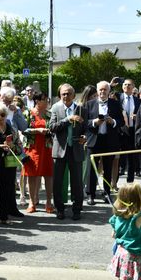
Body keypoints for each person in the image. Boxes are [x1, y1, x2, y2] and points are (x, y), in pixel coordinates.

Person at [50, 84, 86, 220]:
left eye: (68, 94)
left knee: (77, 182)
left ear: (73, 95)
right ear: (60, 95)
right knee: (57, 182)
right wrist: (67, 119)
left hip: (76, 149)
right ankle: (60, 209)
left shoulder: (81, 109)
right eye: (63, 94)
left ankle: (77, 210)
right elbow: (52, 127)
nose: (66, 96)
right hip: (59, 150)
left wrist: (85, 137)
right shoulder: (55, 108)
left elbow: (86, 128)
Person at [85, 81, 124, 204]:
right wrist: (94, 122)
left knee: (108, 168)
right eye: (100, 90)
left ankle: (107, 193)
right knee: (92, 169)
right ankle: (90, 194)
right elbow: (84, 122)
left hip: (109, 140)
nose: (102, 92)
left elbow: (122, 122)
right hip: (94, 140)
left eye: (105, 90)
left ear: (109, 91)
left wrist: (113, 122)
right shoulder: (89, 104)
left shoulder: (116, 104)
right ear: (97, 91)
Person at [22, 91, 54, 213]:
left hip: (47, 148)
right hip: (32, 148)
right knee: (32, 175)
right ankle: (31, 201)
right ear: (37, 101)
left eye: (47, 100)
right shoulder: (28, 113)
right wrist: (37, 131)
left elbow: (54, 127)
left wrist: (49, 131)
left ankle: (49, 202)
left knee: (48, 174)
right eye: (45, 100)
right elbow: (23, 129)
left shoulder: (49, 114)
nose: (47, 102)